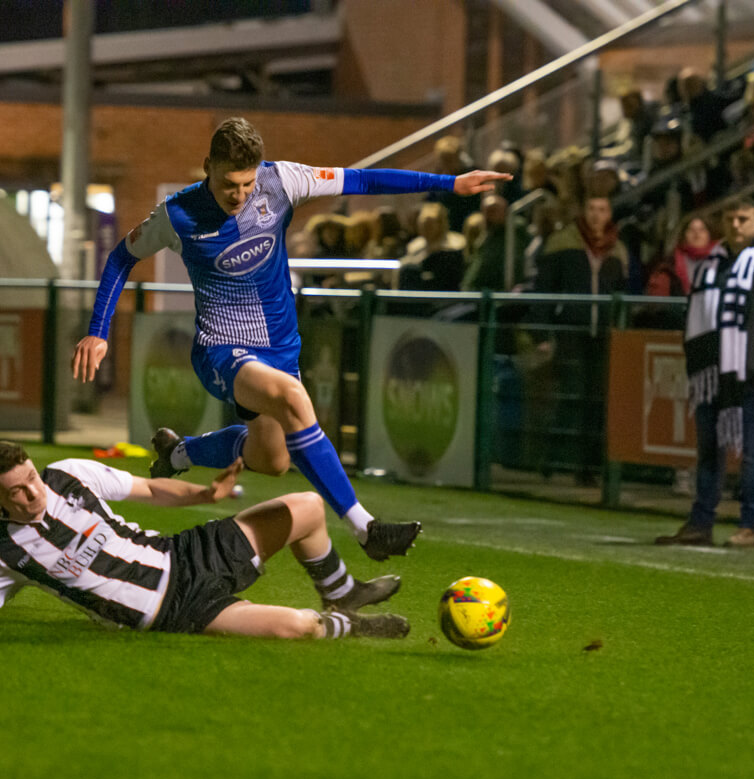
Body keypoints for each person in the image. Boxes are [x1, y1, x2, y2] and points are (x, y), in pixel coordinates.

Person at [71, 117, 509, 561]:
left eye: (246, 184)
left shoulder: (282, 180)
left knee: (273, 460)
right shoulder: (177, 215)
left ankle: (179, 453)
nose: (237, 195)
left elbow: (360, 180)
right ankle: (366, 528)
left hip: (282, 346)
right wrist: (97, 332)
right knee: (294, 399)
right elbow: (121, 258)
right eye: (227, 184)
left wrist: (449, 183)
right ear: (207, 166)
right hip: (223, 349)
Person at [0, 441, 408, 640]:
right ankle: (350, 626)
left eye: (31, 482)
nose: (30, 496)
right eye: (15, 494)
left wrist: (203, 498)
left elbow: (147, 489)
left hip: (185, 554)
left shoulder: (70, 474)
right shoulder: (10, 553)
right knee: (296, 628)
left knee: (307, 507)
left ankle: (341, 593)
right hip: (178, 610)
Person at [656, 196, 754, 549]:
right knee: (709, 451)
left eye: (743, 218)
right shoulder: (712, 264)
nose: (736, 225)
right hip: (713, 374)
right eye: (729, 219)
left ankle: (752, 524)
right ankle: (701, 522)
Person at [532, 195, 629, 485]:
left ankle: (585, 468)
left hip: (602, 335)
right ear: (583, 211)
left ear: (610, 213)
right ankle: (553, 459)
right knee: (569, 395)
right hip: (571, 330)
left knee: (596, 400)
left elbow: (623, 295)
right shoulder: (564, 243)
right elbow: (544, 291)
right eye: (591, 209)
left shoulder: (618, 249)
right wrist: (542, 332)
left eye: (602, 209)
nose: (597, 215)